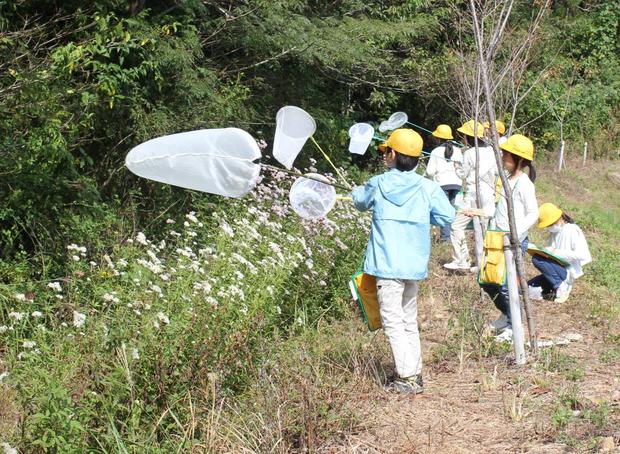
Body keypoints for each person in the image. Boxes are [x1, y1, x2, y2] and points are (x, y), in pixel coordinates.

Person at [352, 128, 455, 394]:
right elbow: (447, 217)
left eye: (387, 151)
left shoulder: (378, 183)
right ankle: (415, 371)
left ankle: (407, 376)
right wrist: (423, 218)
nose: (385, 155)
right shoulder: (428, 187)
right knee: (408, 318)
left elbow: (360, 202)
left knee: (392, 321)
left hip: (387, 265)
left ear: (393, 154)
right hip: (413, 266)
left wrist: (357, 191)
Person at [474, 134, 539, 341]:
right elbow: (497, 208)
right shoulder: (504, 180)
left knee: (505, 284)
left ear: (519, 159)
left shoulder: (525, 184)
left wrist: (515, 232)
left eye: (506, 155)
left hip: (513, 240)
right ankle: (506, 314)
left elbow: (533, 214)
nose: (502, 157)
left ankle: (513, 326)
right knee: (487, 281)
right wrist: (479, 212)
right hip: (495, 238)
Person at [444, 120, 497, 271]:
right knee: (483, 230)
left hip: (473, 195)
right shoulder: (491, 152)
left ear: (468, 137)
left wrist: (456, 166)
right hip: (489, 194)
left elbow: (463, 174)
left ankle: (461, 260)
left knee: (456, 226)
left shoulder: (468, 153)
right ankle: (482, 264)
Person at [528, 203, 592, 303]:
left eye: (550, 224)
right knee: (528, 288)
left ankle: (561, 287)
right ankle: (553, 288)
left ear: (560, 217)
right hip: (556, 270)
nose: (549, 227)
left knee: (537, 259)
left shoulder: (571, 230)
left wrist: (557, 252)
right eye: (548, 225)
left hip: (566, 272)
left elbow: (583, 255)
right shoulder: (554, 233)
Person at [425, 124, 463, 242]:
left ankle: (445, 239)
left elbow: (430, 172)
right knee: (452, 210)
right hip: (457, 184)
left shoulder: (436, 151)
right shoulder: (458, 150)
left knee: (444, 211)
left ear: (438, 138)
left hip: (442, 185)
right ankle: (454, 237)